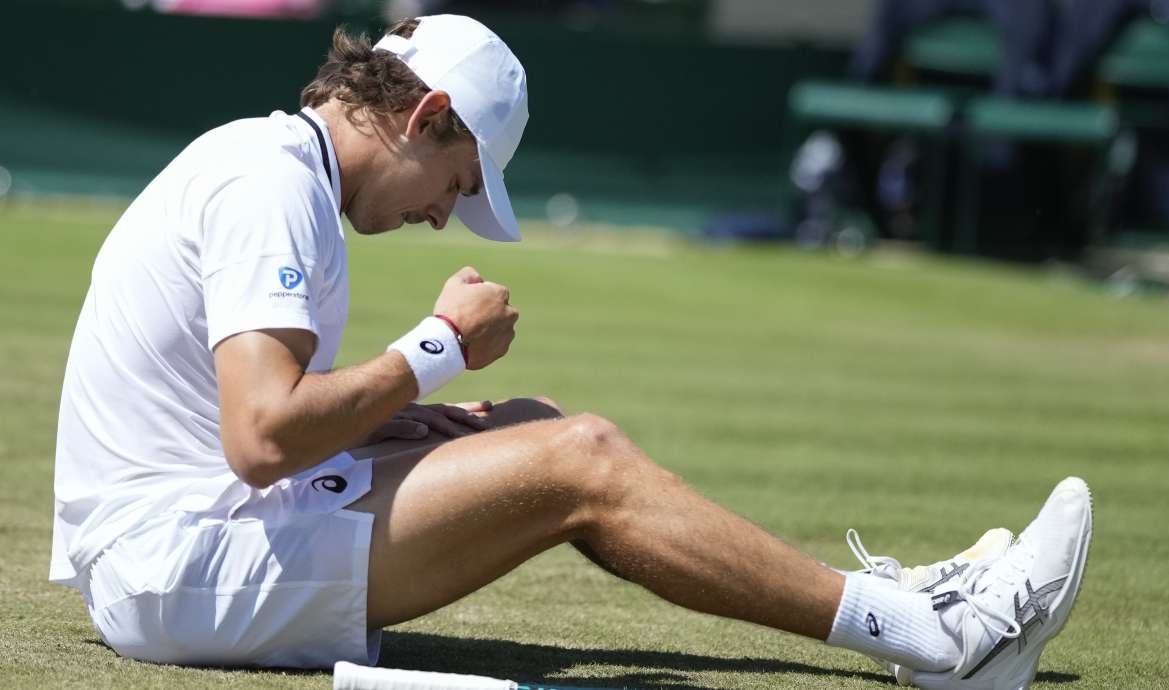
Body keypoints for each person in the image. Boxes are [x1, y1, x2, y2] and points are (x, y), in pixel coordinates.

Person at [49, 14, 1093, 689]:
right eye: (458, 184)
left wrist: (404, 410)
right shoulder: (267, 181)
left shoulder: (280, 171)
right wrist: (435, 348)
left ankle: (911, 606)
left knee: (535, 426)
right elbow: (262, 436)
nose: (443, 219)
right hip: (173, 569)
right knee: (579, 456)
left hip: (195, 542)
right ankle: (942, 644)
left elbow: (255, 419)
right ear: (426, 114)